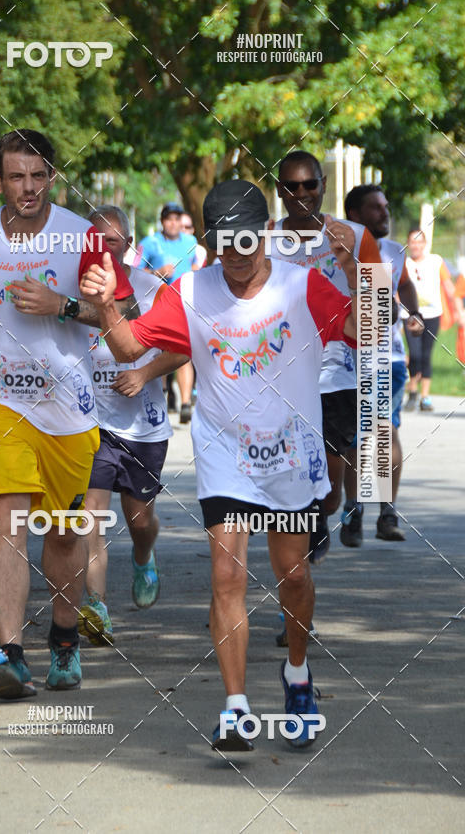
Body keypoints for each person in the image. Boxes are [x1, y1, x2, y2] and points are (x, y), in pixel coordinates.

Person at [79, 179, 360, 752]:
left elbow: (364, 331)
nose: (236, 254)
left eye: (247, 241)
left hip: (289, 456)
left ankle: (297, 673)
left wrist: (353, 267)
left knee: (293, 575)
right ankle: (235, 708)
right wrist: (107, 303)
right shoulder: (190, 290)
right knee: (227, 577)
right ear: (210, 242)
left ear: (265, 235)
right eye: (225, 243)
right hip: (226, 455)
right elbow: (130, 348)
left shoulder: (301, 285)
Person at [0, 129, 135, 699]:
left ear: (52, 177)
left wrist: (63, 305)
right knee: (6, 520)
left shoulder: (82, 236)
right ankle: (9, 655)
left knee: (62, 535)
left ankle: (63, 638)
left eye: (37, 176)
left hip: (69, 411)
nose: (27, 188)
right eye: (16, 177)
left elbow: (119, 314)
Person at [71, 206, 188, 646]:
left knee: (139, 520)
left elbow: (184, 348)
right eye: (96, 240)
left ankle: (144, 555)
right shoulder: (70, 289)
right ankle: (97, 607)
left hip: (143, 426)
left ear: (129, 245)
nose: (104, 248)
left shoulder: (152, 288)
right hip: (92, 422)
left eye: (113, 241)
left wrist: (143, 373)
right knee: (91, 517)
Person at [270, 151, 383, 563]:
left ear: (323, 185)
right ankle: (297, 545)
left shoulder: (357, 236)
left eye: (310, 184)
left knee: (331, 492)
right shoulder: (262, 239)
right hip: (281, 379)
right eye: (291, 186)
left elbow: (379, 314)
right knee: (289, 475)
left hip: (337, 379)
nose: (301, 193)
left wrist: (350, 267)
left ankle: (322, 513)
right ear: (279, 190)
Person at [341, 185, 424, 544]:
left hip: (387, 358)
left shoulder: (392, 251)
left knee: (386, 432)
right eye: (376, 207)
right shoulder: (339, 251)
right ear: (355, 214)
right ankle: (353, 510)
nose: (385, 212)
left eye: (385, 206)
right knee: (354, 439)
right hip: (347, 358)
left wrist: (413, 311)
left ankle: (387, 511)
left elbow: (403, 288)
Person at [135, 202, 200, 423]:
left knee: (183, 352)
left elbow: (196, 265)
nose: (173, 223)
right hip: (157, 306)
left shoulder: (191, 242)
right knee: (159, 353)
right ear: (162, 222)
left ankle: (185, 403)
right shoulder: (149, 243)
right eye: (169, 219)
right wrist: (157, 272)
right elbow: (133, 270)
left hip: (185, 305)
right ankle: (161, 395)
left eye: (176, 219)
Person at [403, 229, 465, 411]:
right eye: (412, 242)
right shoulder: (404, 263)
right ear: (408, 244)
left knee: (426, 355)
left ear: (424, 244)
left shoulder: (436, 261)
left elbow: (448, 286)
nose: (416, 245)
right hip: (411, 315)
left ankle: (425, 397)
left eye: (419, 242)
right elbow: (396, 287)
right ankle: (412, 391)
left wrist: (457, 310)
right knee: (414, 354)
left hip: (432, 314)